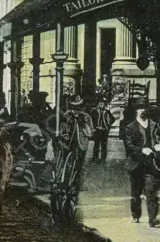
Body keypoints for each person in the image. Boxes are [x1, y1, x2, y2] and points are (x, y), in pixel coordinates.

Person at [122, 101, 160, 227]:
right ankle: (136, 215)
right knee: (135, 194)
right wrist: (141, 150)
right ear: (136, 111)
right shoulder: (130, 127)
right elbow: (128, 145)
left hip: (151, 164)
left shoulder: (155, 125)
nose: (142, 110)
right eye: (139, 108)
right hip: (136, 164)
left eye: (144, 108)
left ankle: (152, 219)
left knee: (151, 191)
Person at [50, 95, 94, 225]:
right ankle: (60, 177)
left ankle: (75, 184)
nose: (76, 109)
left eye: (78, 107)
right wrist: (64, 136)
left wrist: (83, 125)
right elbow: (62, 128)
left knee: (77, 168)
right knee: (62, 161)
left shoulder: (86, 117)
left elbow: (90, 133)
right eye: (74, 107)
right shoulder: (67, 115)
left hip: (80, 146)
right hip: (66, 144)